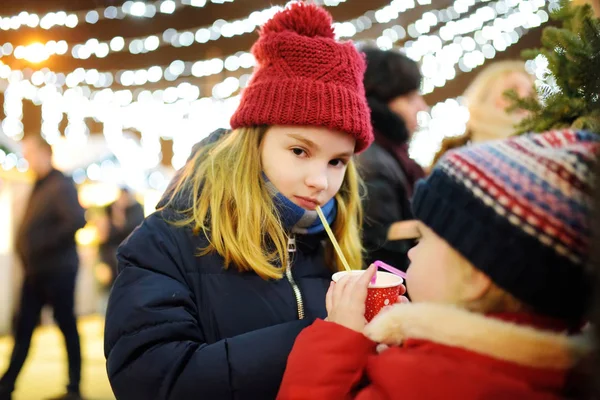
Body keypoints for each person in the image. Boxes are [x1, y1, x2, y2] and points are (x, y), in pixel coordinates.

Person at [103, 3, 384, 399]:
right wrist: (324, 339)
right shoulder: (166, 240)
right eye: (300, 151)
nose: (320, 180)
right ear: (254, 141)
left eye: (337, 161)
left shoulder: (332, 243)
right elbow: (151, 380)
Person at [278, 129, 598, 399]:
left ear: (475, 276)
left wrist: (337, 338)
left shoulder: (422, 381)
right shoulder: (551, 371)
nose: (412, 253)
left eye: (423, 239)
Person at [0, 135, 86, 400]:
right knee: (24, 328)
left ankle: (74, 387)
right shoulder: (40, 185)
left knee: (66, 326)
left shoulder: (59, 185)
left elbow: (75, 220)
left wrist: (41, 244)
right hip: (36, 271)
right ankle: (6, 386)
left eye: (30, 154)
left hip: (56, 270)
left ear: (45, 154)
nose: (27, 160)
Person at [357, 47, 428, 271]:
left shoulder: (389, 154)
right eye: (409, 98)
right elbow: (376, 239)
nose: (422, 106)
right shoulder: (372, 160)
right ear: (381, 103)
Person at [432, 60, 534, 164]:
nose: (524, 98)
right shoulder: (453, 154)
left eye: (530, 94)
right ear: (487, 94)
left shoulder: (538, 149)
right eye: (513, 90)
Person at [96, 187, 144, 289]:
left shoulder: (135, 211)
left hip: (126, 258)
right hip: (109, 256)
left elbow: (126, 229)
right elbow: (103, 237)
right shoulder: (110, 208)